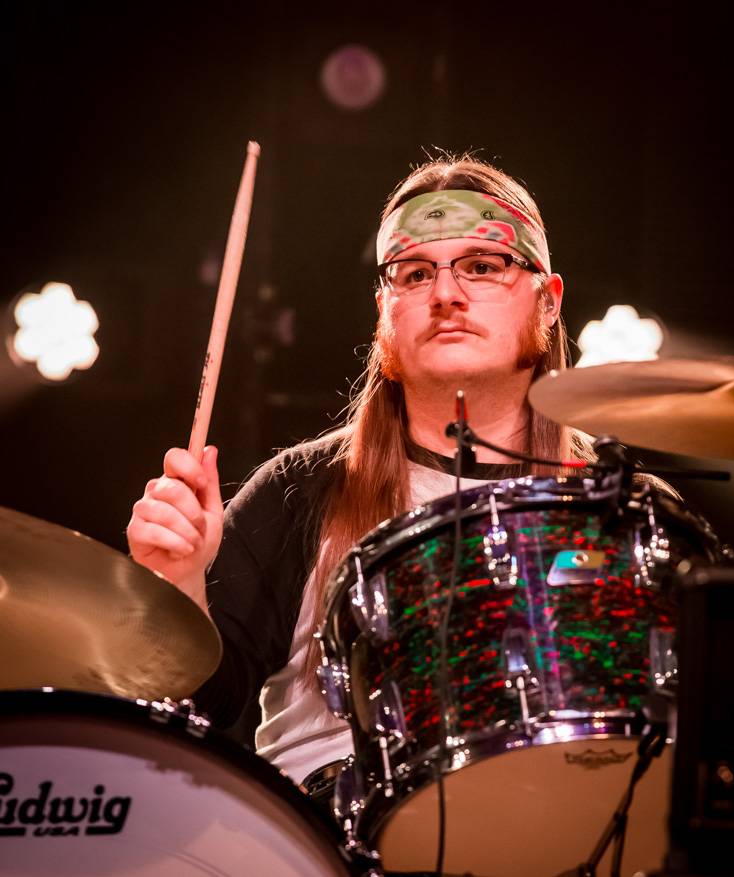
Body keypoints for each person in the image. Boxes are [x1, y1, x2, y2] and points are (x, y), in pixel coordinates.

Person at [126, 153, 593, 786]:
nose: (446, 294)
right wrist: (178, 583)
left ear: (548, 300)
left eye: (483, 266)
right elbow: (196, 715)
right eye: (415, 274)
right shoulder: (300, 492)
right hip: (325, 830)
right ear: (384, 310)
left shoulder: (619, 510)